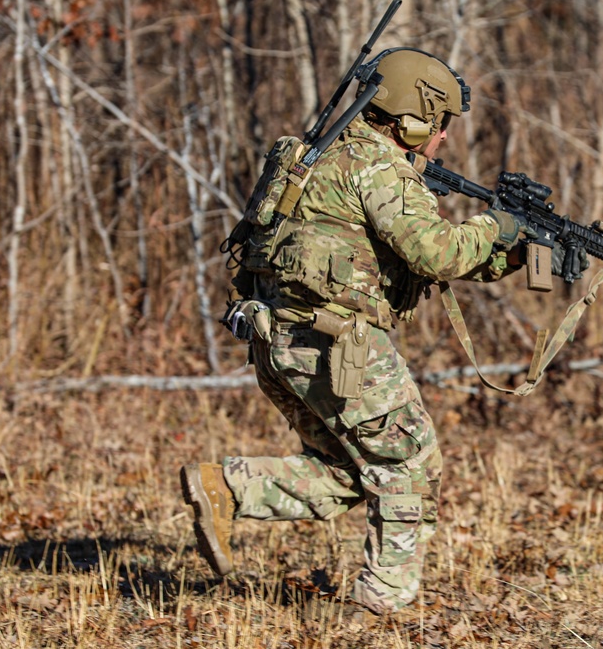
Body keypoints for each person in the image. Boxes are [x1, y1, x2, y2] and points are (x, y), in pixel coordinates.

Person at [180, 47, 527, 615]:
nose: (442, 140)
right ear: (413, 117)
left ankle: (226, 488)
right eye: (440, 126)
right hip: (334, 345)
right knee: (408, 462)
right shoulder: (379, 168)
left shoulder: (313, 155)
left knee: (347, 472)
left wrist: (514, 254)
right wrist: (498, 224)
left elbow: (416, 259)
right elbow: (438, 254)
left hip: (277, 338)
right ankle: (384, 602)